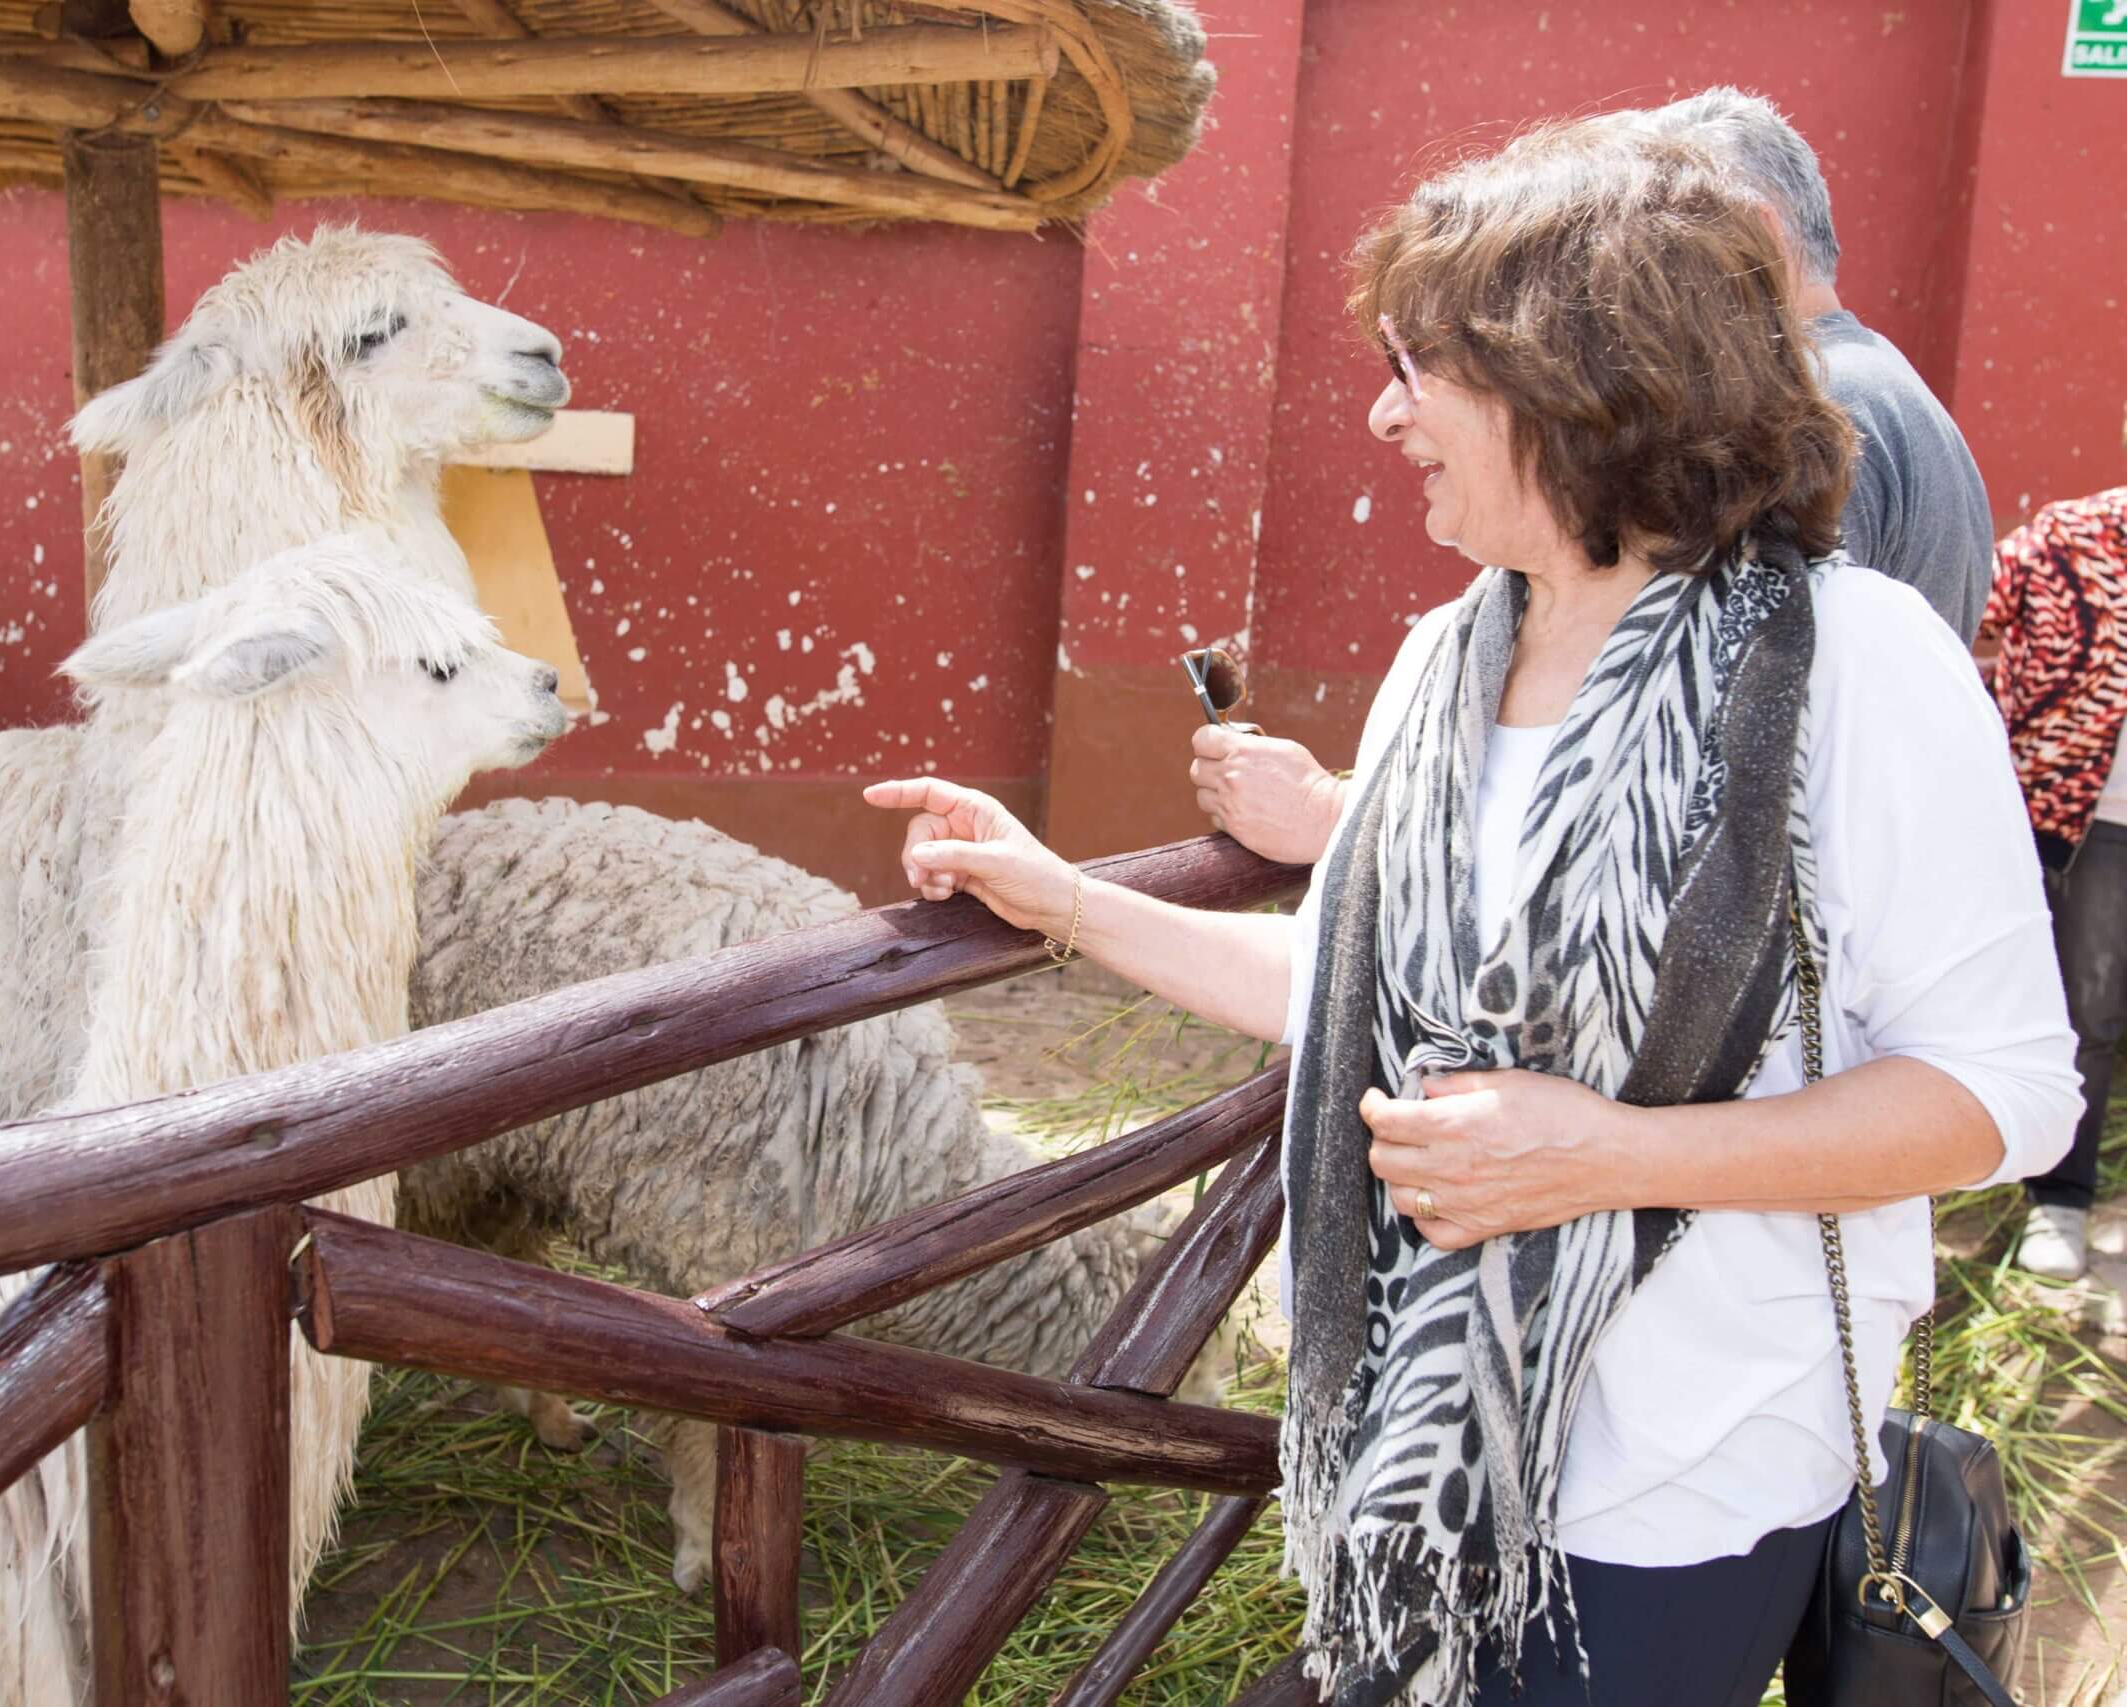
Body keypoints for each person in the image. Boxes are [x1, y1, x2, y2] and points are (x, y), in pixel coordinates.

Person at [866, 125, 2078, 1707]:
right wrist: (1067, 899)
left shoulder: (1857, 661)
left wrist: (1611, 1153)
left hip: (1679, 1477)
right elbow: (1358, 987)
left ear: (1578, 375)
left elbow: (2006, 1092)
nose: (1383, 413)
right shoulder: (1449, 651)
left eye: (1420, 366)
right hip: (1410, 1454)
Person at [1195, 87, 1998, 865]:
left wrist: (1338, 819)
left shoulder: (1808, 404)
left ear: (1748, 238)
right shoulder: (1882, 386)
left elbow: (1697, 783)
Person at [1977, 423, 2127, 1279]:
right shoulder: (2068, 541)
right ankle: (2058, 1199)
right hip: (2087, 816)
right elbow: (1961, 612)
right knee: (2086, 1007)